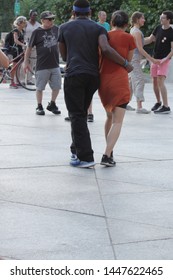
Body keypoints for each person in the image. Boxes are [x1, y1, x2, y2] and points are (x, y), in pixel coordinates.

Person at [58, 0, 133, 168]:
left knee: (76, 115)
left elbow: (63, 56)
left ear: (74, 11)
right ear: (90, 12)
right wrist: (125, 63)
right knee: (81, 114)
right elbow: (105, 49)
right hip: (92, 76)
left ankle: (85, 157)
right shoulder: (99, 28)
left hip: (74, 74)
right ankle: (75, 149)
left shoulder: (64, 28)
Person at [99, 10, 136, 167]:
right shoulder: (129, 38)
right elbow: (128, 59)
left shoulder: (104, 35)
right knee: (118, 121)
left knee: (109, 117)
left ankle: (110, 149)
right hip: (119, 81)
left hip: (103, 80)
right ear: (127, 24)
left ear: (112, 22)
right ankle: (107, 155)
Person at [24, 11, 62, 116]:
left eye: (52, 19)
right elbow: (29, 47)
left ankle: (52, 103)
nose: (51, 21)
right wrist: (25, 61)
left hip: (55, 64)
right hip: (42, 65)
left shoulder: (57, 29)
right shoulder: (37, 32)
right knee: (40, 87)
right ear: (43, 20)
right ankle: (39, 106)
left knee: (57, 86)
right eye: (49, 19)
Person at [129, 12, 160, 114]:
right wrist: (152, 59)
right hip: (135, 59)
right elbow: (140, 48)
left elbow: (141, 42)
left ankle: (124, 103)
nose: (144, 20)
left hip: (133, 59)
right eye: (143, 18)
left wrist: (151, 38)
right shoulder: (137, 32)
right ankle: (139, 106)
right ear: (137, 19)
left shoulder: (135, 30)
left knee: (131, 82)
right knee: (139, 80)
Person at [145, 11, 173, 114]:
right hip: (154, 59)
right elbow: (149, 39)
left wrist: (166, 59)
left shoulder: (171, 32)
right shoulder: (158, 28)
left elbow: (172, 49)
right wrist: (138, 40)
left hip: (164, 60)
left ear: (168, 20)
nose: (161, 19)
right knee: (155, 82)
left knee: (161, 80)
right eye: (161, 17)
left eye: (163, 18)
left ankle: (166, 106)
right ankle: (158, 102)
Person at [7, 16, 27, 89]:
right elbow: (15, 40)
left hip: (19, 50)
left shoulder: (22, 31)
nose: (25, 24)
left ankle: (17, 81)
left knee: (18, 67)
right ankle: (12, 82)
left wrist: (25, 44)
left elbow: (22, 40)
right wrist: (23, 45)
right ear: (19, 23)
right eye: (24, 22)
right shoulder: (16, 31)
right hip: (15, 50)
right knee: (14, 67)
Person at [24, 10, 41, 85]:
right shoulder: (26, 24)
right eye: (33, 15)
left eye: (36, 15)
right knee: (24, 62)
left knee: (32, 62)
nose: (34, 16)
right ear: (30, 15)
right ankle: (21, 79)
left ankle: (29, 79)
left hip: (34, 45)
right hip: (26, 44)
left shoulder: (38, 25)